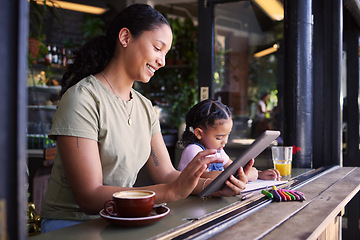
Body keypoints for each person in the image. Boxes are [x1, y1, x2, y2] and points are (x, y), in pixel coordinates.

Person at [40, 4, 251, 233]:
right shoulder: (82, 99)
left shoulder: (144, 107)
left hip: (123, 219)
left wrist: (212, 186)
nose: (162, 61)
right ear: (125, 37)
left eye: (166, 54)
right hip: (72, 225)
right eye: (157, 48)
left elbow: (168, 174)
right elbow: (89, 197)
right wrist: (171, 192)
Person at [177, 99, 280, 181]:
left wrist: (259, 174)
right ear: (199, 133)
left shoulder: (218, 151)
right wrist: (240, 174)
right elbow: (207, 177)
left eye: (227, 135)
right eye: (219, 137)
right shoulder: (194, 150)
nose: (225, 141)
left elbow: (234, 168)